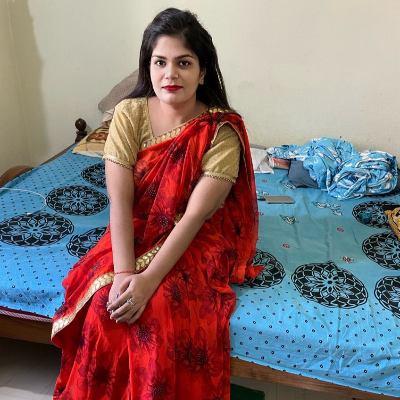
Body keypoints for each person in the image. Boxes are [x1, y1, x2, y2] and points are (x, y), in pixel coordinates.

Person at [52, 8, 261, 400]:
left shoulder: (220, 130)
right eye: (160, 62)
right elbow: (120, 200)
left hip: (195, 236)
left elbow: (195, 216)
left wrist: (147, 281)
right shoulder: (128, 114)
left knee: (161, 306)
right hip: (135, 225)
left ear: (203, 72)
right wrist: (124, 273)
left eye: (184, 63)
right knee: (106, 301)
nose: (170, 74)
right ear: (147, 68)